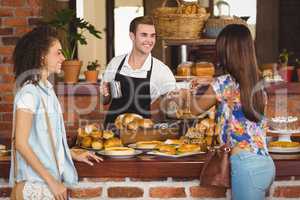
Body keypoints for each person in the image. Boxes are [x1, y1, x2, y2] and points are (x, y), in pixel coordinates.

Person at [178, 24, 275, 200]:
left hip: (245, 167)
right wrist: (211, 81)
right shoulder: (258, 83)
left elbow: (193, 110)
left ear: (226, 52)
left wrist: (186, 92)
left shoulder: (223, 84)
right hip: (264, 164)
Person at [10, 25, 102, 200]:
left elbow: (46, 140)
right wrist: (52, 182)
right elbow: (21, 143)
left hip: (45, 183)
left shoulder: (47, 91)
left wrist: (71, 153)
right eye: (58, 52)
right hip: (37, 184)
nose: (63, 57)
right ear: (42, 56)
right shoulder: (29, 93)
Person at [101, 16, 176, 127]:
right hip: (111, 132)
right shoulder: (115, 63)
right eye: (144, 35)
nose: (149, 40)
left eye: (152, 36)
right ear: (132, 36)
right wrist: (105, 95)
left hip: (141, 136)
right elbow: (105, 100)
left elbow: (173, 107)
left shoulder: (161, 71)